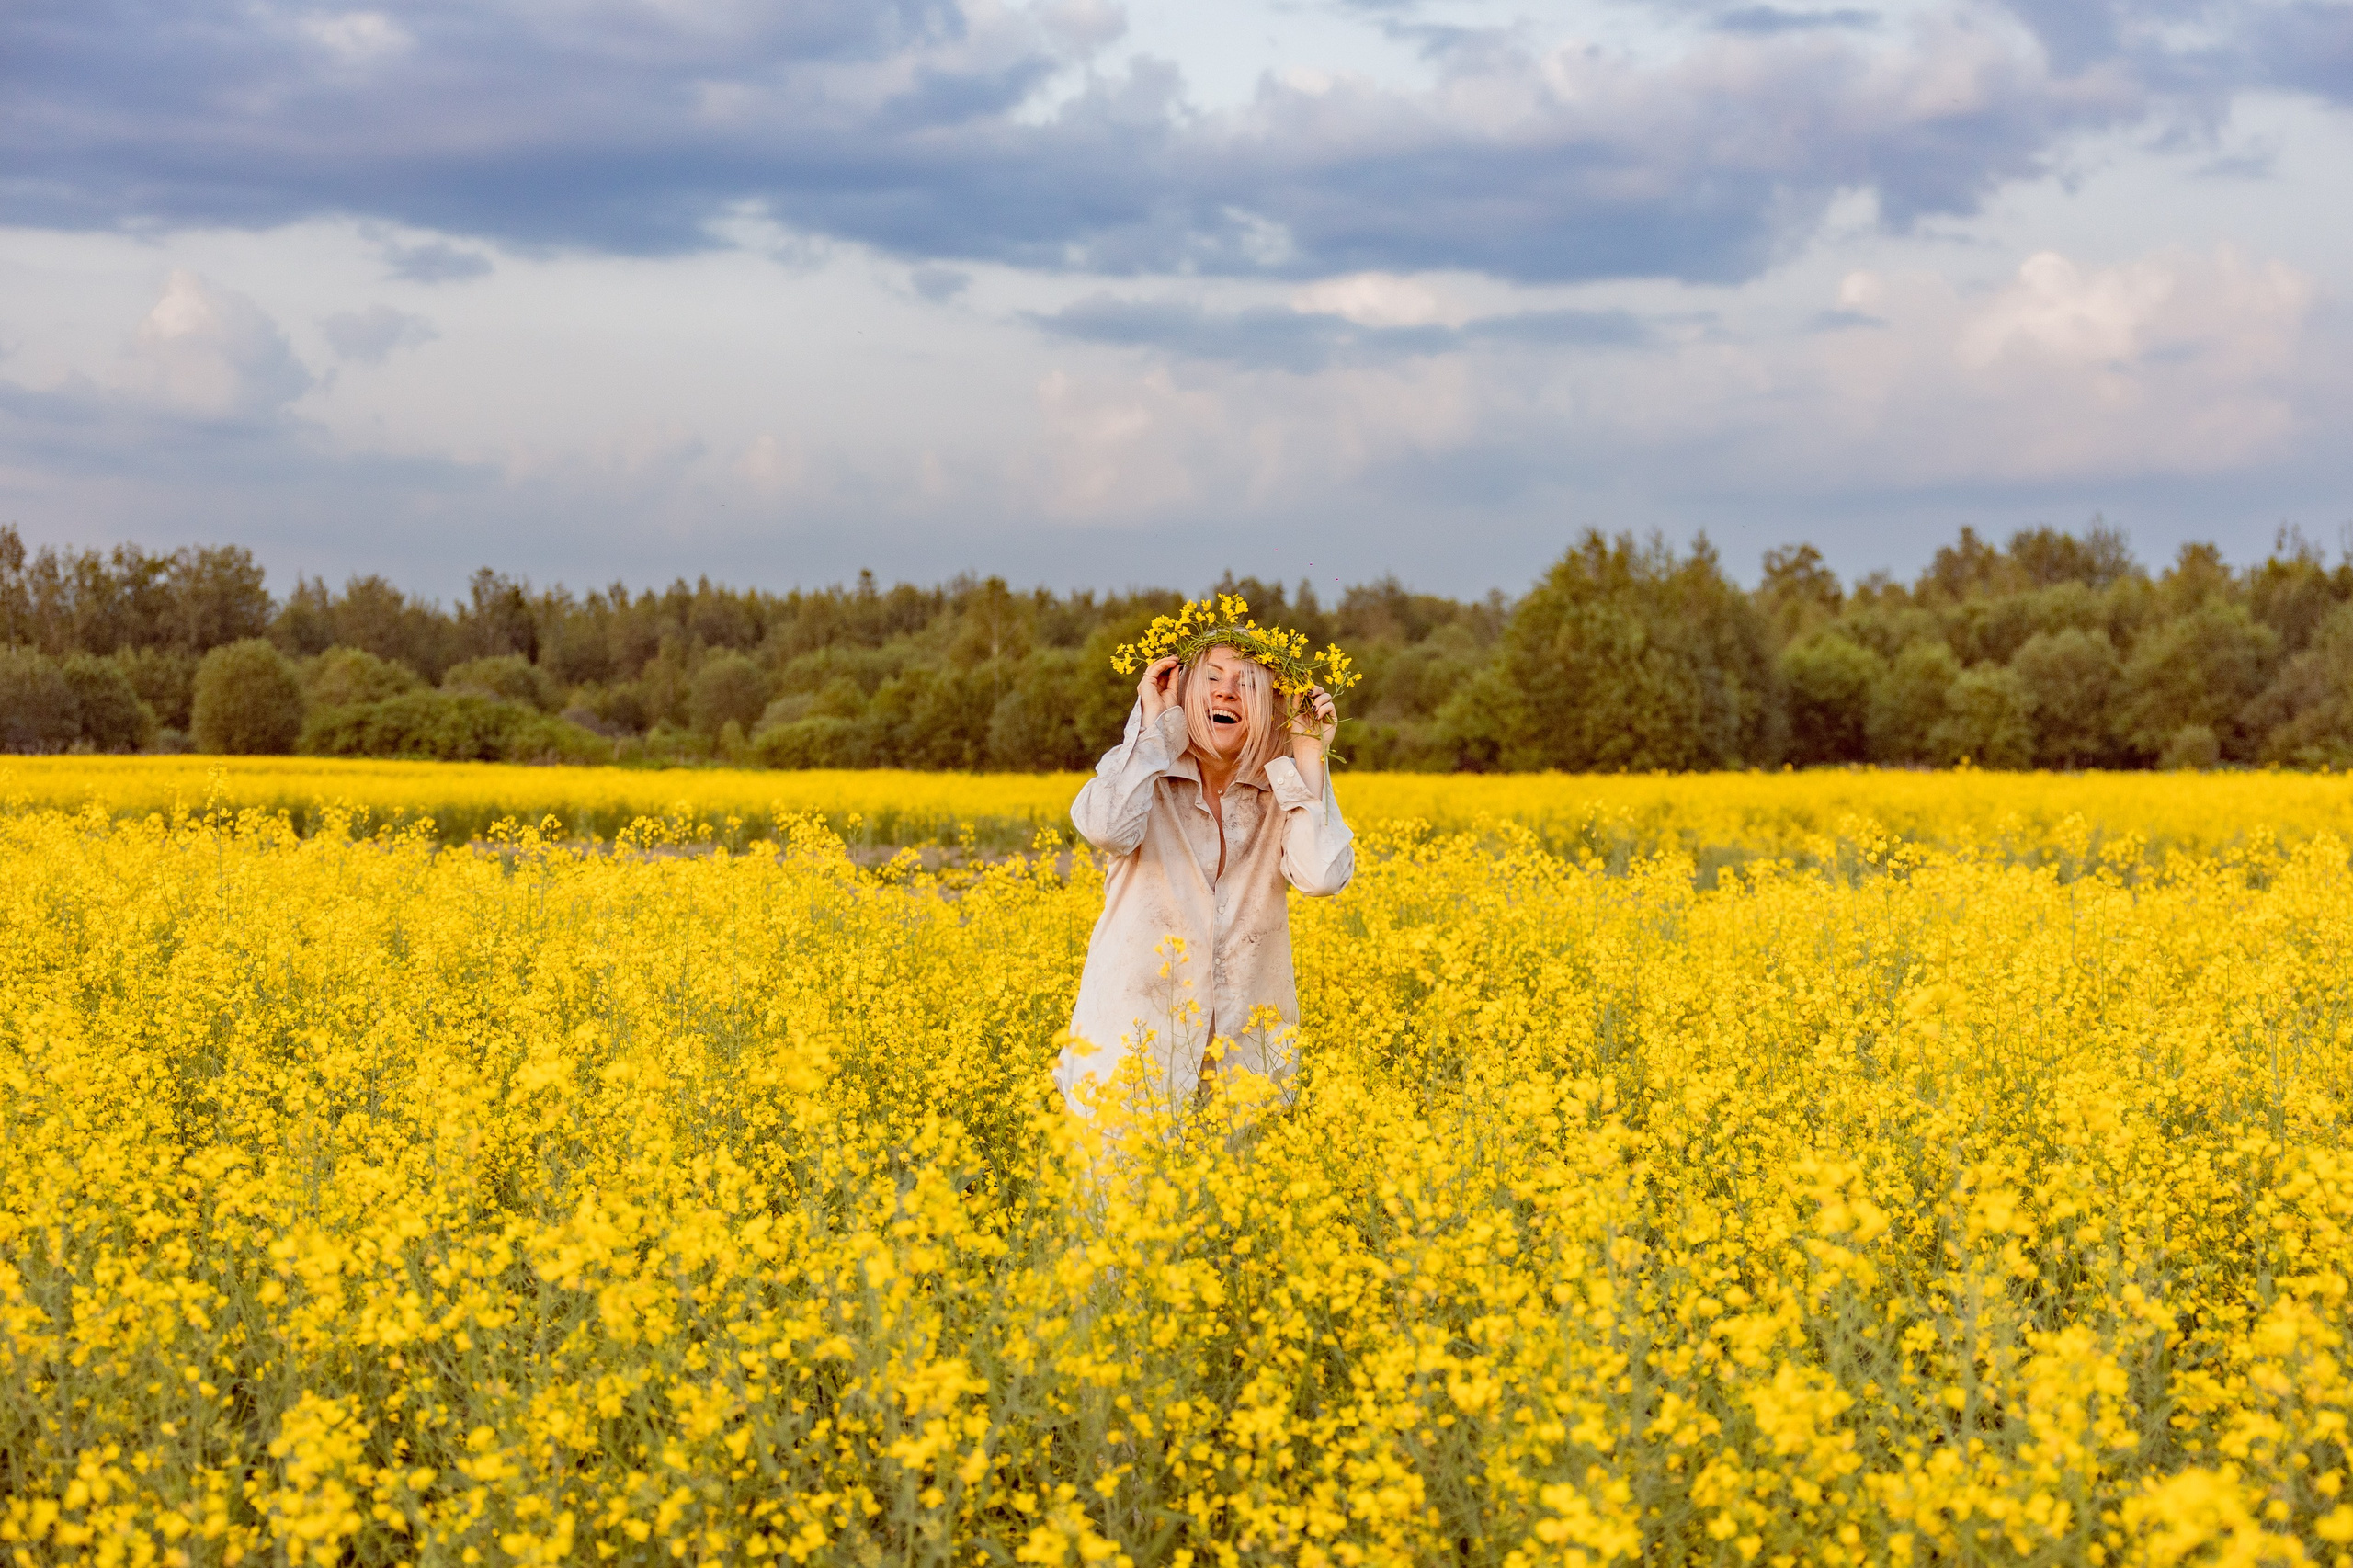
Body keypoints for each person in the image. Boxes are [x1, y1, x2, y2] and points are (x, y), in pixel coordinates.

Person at [1056, 640, 1353, 1123]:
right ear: (1185, 692)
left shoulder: (1283, 792)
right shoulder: (1143, 775)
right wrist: (1155, 725)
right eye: (1211, 678)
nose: (1227, 693)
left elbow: (1320, 876)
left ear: (1271, 705)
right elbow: (1106, 827)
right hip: (1130, 1065)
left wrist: (1309, 759)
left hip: (1243, 1074)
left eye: (1247, 684)